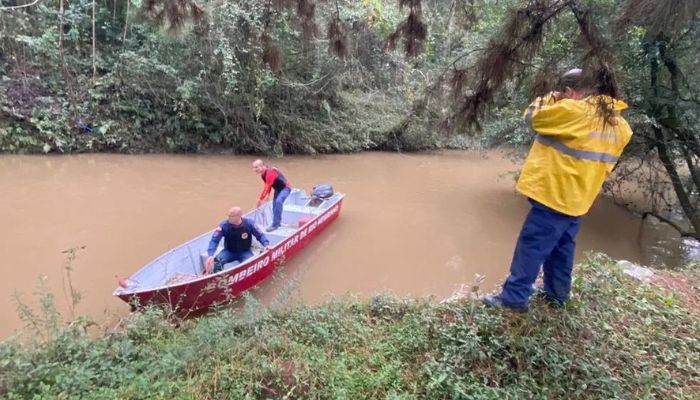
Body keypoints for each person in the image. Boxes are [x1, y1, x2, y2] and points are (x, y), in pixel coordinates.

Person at [483, 68, 633, 312]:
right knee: (563, 247)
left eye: (563, 94)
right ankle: (557, 294)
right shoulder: (621, 125)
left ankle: (513, 299)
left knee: (532, 245)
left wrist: (551, 98)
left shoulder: (573, 110)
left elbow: (533, 117)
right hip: (579, 200)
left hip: (554, 195)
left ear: (570, 92)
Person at [205, 206, 270, 274]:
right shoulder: (224, 225)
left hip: (245, 252)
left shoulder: (249, 224)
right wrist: (211, 254)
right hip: (229, 251)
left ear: (238, 216)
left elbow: (260, 235)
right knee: (217, 261)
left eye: (231, 216)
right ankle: (217, 278)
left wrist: (266, 244)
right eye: (228, 216)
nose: (228, 218)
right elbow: (214, 240)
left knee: (250, 264)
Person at [253, 159, 291, 232]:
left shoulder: (270, 172)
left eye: (256, 167)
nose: (254, 169)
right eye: (254, 167)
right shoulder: (263, 175)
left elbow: (267, 187)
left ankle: (275, 225)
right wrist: (267, 195)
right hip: (278, 190)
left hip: (285, 188)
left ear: (262, 166)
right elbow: (269, 186)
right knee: (274, 206)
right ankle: (278, 222)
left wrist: (260, 200)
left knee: (278, 202)